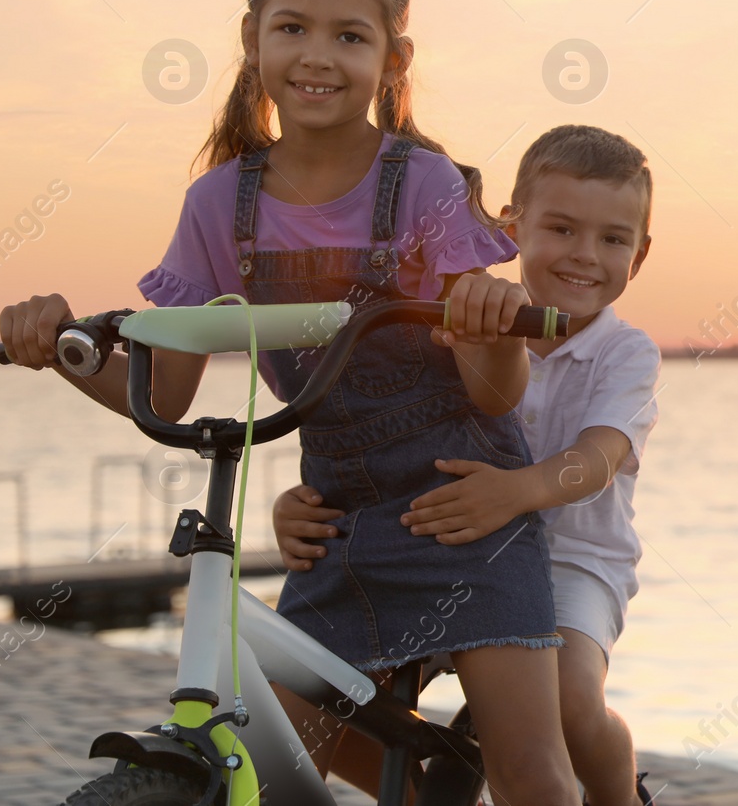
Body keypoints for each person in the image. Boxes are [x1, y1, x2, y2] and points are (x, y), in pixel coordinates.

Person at [0, 0, 579, 806]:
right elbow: (170, 386)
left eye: (351, 35)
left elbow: (495, 394)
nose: (319, 55)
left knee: (532, 771)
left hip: (469, 511)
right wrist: (65, 350)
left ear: (393, 57)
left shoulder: (422, 186)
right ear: (252, 41)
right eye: (294, 27)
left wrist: (491, 329)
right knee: (282, 770)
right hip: (338, 520)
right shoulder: (218, 204)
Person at [276, 124, 661, 806]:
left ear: (641, 254)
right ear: (510, 226)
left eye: (613, 238)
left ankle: (615, 786)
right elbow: (379, 435)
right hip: (451, 546)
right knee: (325, 698)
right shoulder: (461, 316)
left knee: (573, 701)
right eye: (562, 228)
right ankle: (425, 794)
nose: (585, 255)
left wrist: (517, 492)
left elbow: (598, 459)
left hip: (573, 561)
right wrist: (301, 500)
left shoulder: (624, 353)